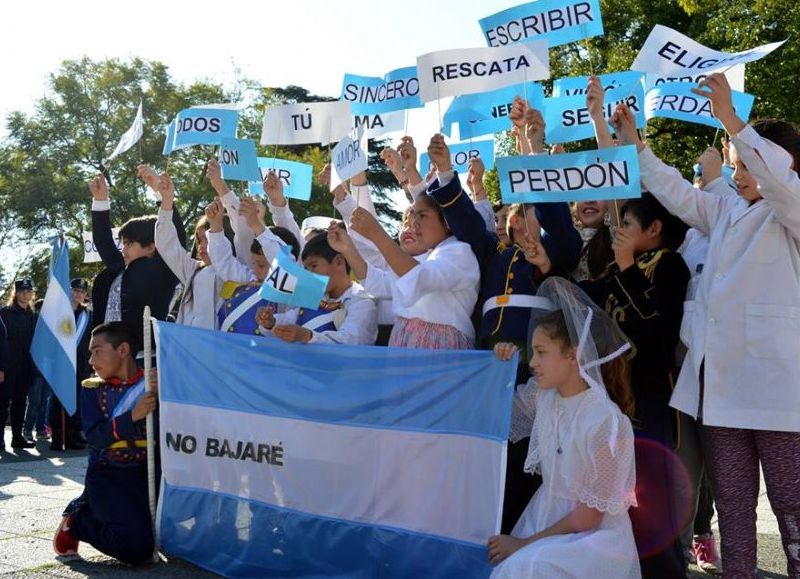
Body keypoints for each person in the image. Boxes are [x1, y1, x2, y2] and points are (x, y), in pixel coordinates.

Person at [612, 73, 800, 578]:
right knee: (734, 516)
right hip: (720, 392)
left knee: (793, 512)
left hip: (780, 397)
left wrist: (731, 119)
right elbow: (675, 191)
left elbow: (780, 182)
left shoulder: (793, 209)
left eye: (747, 166)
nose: (738, 176)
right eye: (736, 166)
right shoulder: (726, 211)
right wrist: (635, 145)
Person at [488, 278, 639, 578]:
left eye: (542, 352)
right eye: (533, 352)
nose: (533, 362)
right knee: (506, 566)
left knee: (525, 566)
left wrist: (522, 544)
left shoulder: (605, 422)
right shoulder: (542, 396)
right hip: (544, 519)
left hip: (591, 539)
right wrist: (499, 367)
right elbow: (496, 419)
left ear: (573, 355)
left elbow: (590, 516)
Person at [53, 322, 157, 565]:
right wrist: (132, 415)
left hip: (153, 472)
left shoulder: (154, 382)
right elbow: (96, 438)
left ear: (122, 350)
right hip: (111, 474)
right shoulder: (92, 390)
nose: (91, 360)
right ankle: (78, 520)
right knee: (137, 548)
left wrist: (165, 392)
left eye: (97, 351)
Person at [348, 192, 480, 350]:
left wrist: (377, 234)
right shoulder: (427, 257)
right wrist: (346, 248)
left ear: (446, 220)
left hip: (437, 349)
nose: (415, 223)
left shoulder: (459, 252)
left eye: (422, 216)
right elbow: (381, 284)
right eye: (413, 217)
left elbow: (421, 277)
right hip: (403, 343)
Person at [88, 174, 185, 355]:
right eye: (123, 244)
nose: (123, 250)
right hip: (109, 358)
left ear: (150, 247)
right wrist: (100, 202)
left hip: (147, 359)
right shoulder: (119, 268)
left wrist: (163, 196)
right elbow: (103, 242)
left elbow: (177, 238)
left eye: (129, 244)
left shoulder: (163, 271)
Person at [256, 230, 378, 345]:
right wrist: (270, 323)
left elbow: (350, 343)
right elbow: (289, 320)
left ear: (339, 262)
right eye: (306, 269)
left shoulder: (362, 302)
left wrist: (307, 337)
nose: (309, 274)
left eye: (314, 266)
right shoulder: (315, 297)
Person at [49, 278, 92, 451]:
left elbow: (90, 340)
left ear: (85, 295)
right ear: (69, 292)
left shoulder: (88, 315)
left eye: (81, 292)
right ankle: (58, 437)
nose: (78, 294)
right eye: (75, 290)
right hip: (62, 363)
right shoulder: (60, 313)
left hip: (80, 365)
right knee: (59, 400)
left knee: (76, 401)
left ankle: (73, 435)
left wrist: (90, 366)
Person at [0, 279, 38, 449]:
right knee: (2, 402)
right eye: (22, 291)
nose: (25, 294)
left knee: (20, 402)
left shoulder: (33, 315)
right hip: (8, 366)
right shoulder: (5, 313)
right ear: (15, 293)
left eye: (28, 291)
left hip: (26, 366)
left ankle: (17, 437)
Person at [24, 299, 53, 442]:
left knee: (44, 402)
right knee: (34, 401)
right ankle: (28, 429)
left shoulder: (52, 327)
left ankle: (41, 429)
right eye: (42, 310)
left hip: (48, 371)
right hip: (35, 371)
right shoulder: (33, 325)